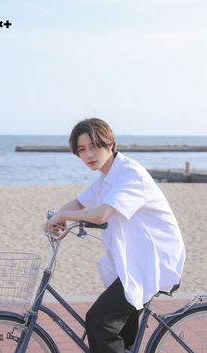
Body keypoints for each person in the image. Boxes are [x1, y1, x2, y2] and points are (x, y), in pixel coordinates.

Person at [46, 118, 186, 353]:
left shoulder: (130, 174)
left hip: (154, 261)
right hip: (134, 260)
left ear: (109, 143)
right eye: (82, 149)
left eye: (94, 146)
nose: (88, 153)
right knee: (121, 334)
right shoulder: (106, 178)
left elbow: (101, 214)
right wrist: (56, 218)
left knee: (99, 321)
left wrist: (63, 217)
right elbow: (81, 202)